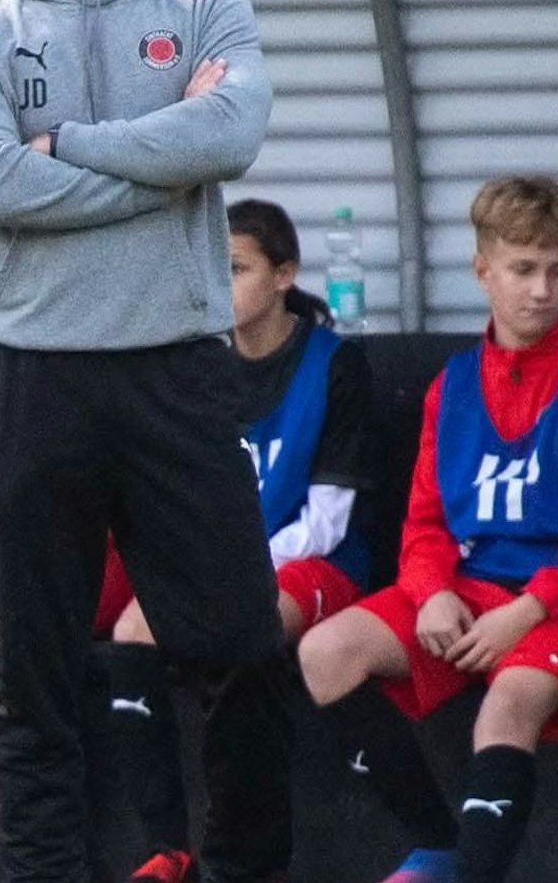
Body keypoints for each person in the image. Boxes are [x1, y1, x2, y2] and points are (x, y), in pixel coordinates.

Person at [0, 0, 297, 883]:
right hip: (31, 376)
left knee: (236, 649)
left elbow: (229, 131)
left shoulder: (203, 4)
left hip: (174, 371)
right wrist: (161, 166)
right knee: (32, 672)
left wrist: (59, 150)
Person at [297, 176, 558, 883]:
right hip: (467, 590)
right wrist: (430, 589)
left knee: (508, 703)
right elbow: (426, 518)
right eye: (524, 268)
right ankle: (436, 844)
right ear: (483, 269)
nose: (542, 289)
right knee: (324, 650)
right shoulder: (452, 384)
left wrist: (526, 610)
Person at [103, 200, 375, 877]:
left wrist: (227, 566)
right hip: (222, 567)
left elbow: (329, 518)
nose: (215, 285)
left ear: (284, 274)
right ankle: (167, 846)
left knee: (239, 629)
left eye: (234, 268)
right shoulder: (196, 367)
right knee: (134, 631)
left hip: (317, 565)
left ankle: (240, 856)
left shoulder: (335, 364)